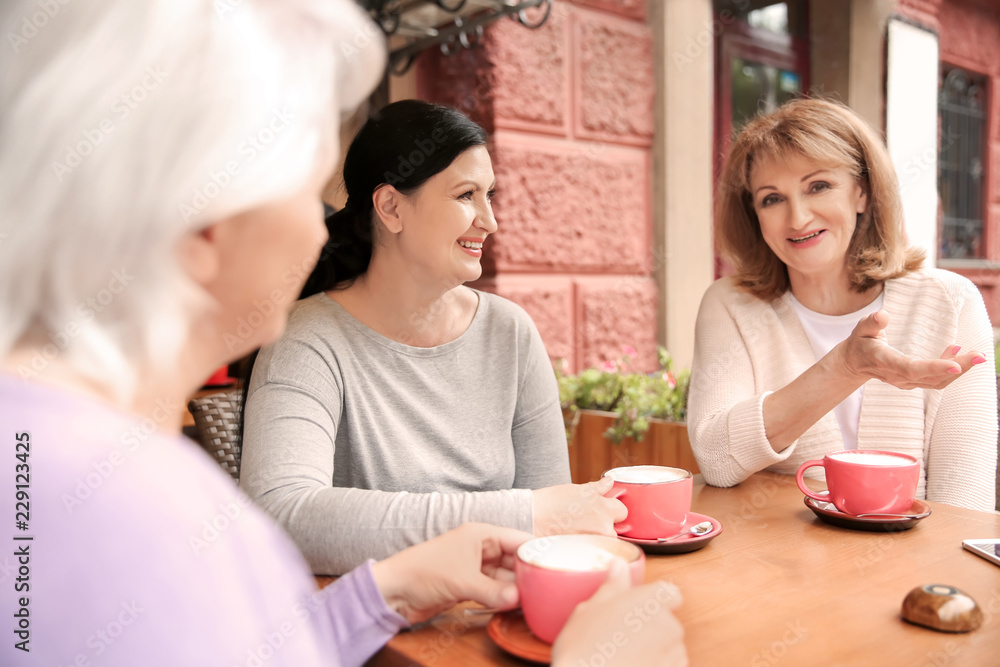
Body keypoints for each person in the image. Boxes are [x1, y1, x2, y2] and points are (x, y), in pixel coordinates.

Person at [0, 1, 685, 665]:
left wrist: (387, 588)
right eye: (306, 190)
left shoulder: (58, 460)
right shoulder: (131, 514)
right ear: (203, 217)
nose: (319, 225)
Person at [240, 99, 625, 575]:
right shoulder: (306, 341)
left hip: (503, 614)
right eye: (466, 195)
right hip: (383, 635)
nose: (490, 220)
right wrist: (519, 515)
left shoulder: (511, 333)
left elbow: (554, 526)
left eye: (491, 195)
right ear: (391, 207)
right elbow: (283, 518)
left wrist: (537, 520)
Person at [688, 97, 997, 512]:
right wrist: (844, 368)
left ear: (862, 193)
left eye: (818, 186)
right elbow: (715, 459)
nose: (797, 218)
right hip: (780, 569)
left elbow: (965, 507)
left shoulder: (950, 301)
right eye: (771, 198)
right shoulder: (730, 305)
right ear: (754, 215)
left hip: (913, 572)